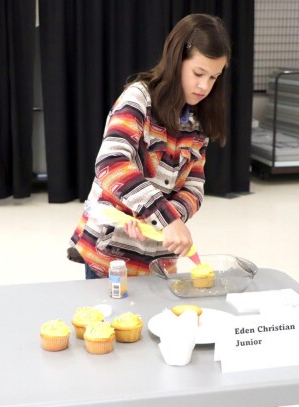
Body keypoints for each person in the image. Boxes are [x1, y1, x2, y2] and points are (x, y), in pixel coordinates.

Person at [70, 14, 231, 278]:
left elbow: (195, 186)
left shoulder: (199, 121)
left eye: (214, 77)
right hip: (110, 255)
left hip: (158, 260)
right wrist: (162, 217)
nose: (204, 86)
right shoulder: (138, 99)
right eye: (198, 73)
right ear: (176, 60)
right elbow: (111, 165)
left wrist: (165, 220)